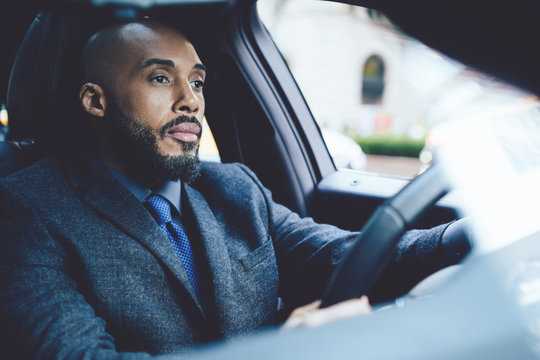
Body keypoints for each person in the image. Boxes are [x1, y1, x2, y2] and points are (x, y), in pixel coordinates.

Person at [0, 21, 470, 359]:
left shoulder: (234, 186)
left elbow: (339, 253)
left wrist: (462, 237)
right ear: (95, 101)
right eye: (161, 78)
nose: (191, 101)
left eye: (198, 82)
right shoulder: (26, 209)